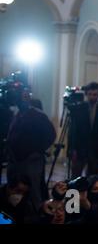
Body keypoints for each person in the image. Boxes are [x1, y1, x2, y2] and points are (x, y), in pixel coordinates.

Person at [6, 87, 56, 220]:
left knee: (34, 192)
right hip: (16, 161)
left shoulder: (38, 115)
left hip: (31, 161)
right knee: (15, 191)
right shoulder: (17, 115)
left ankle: (38, 215)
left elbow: (50, 135)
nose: (23, 98)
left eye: (26, 95)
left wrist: (36, 151)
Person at [69, 82, 98, 178]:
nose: (92, 97)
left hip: (97, 149)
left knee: (93, 178)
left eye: (95, 95)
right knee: (74, 178)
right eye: (90, 94)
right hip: (80, 147)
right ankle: (73, 194)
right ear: (86, 94)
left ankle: (89, 193)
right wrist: (72, 149)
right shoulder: (78, 108)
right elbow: (73, 130)